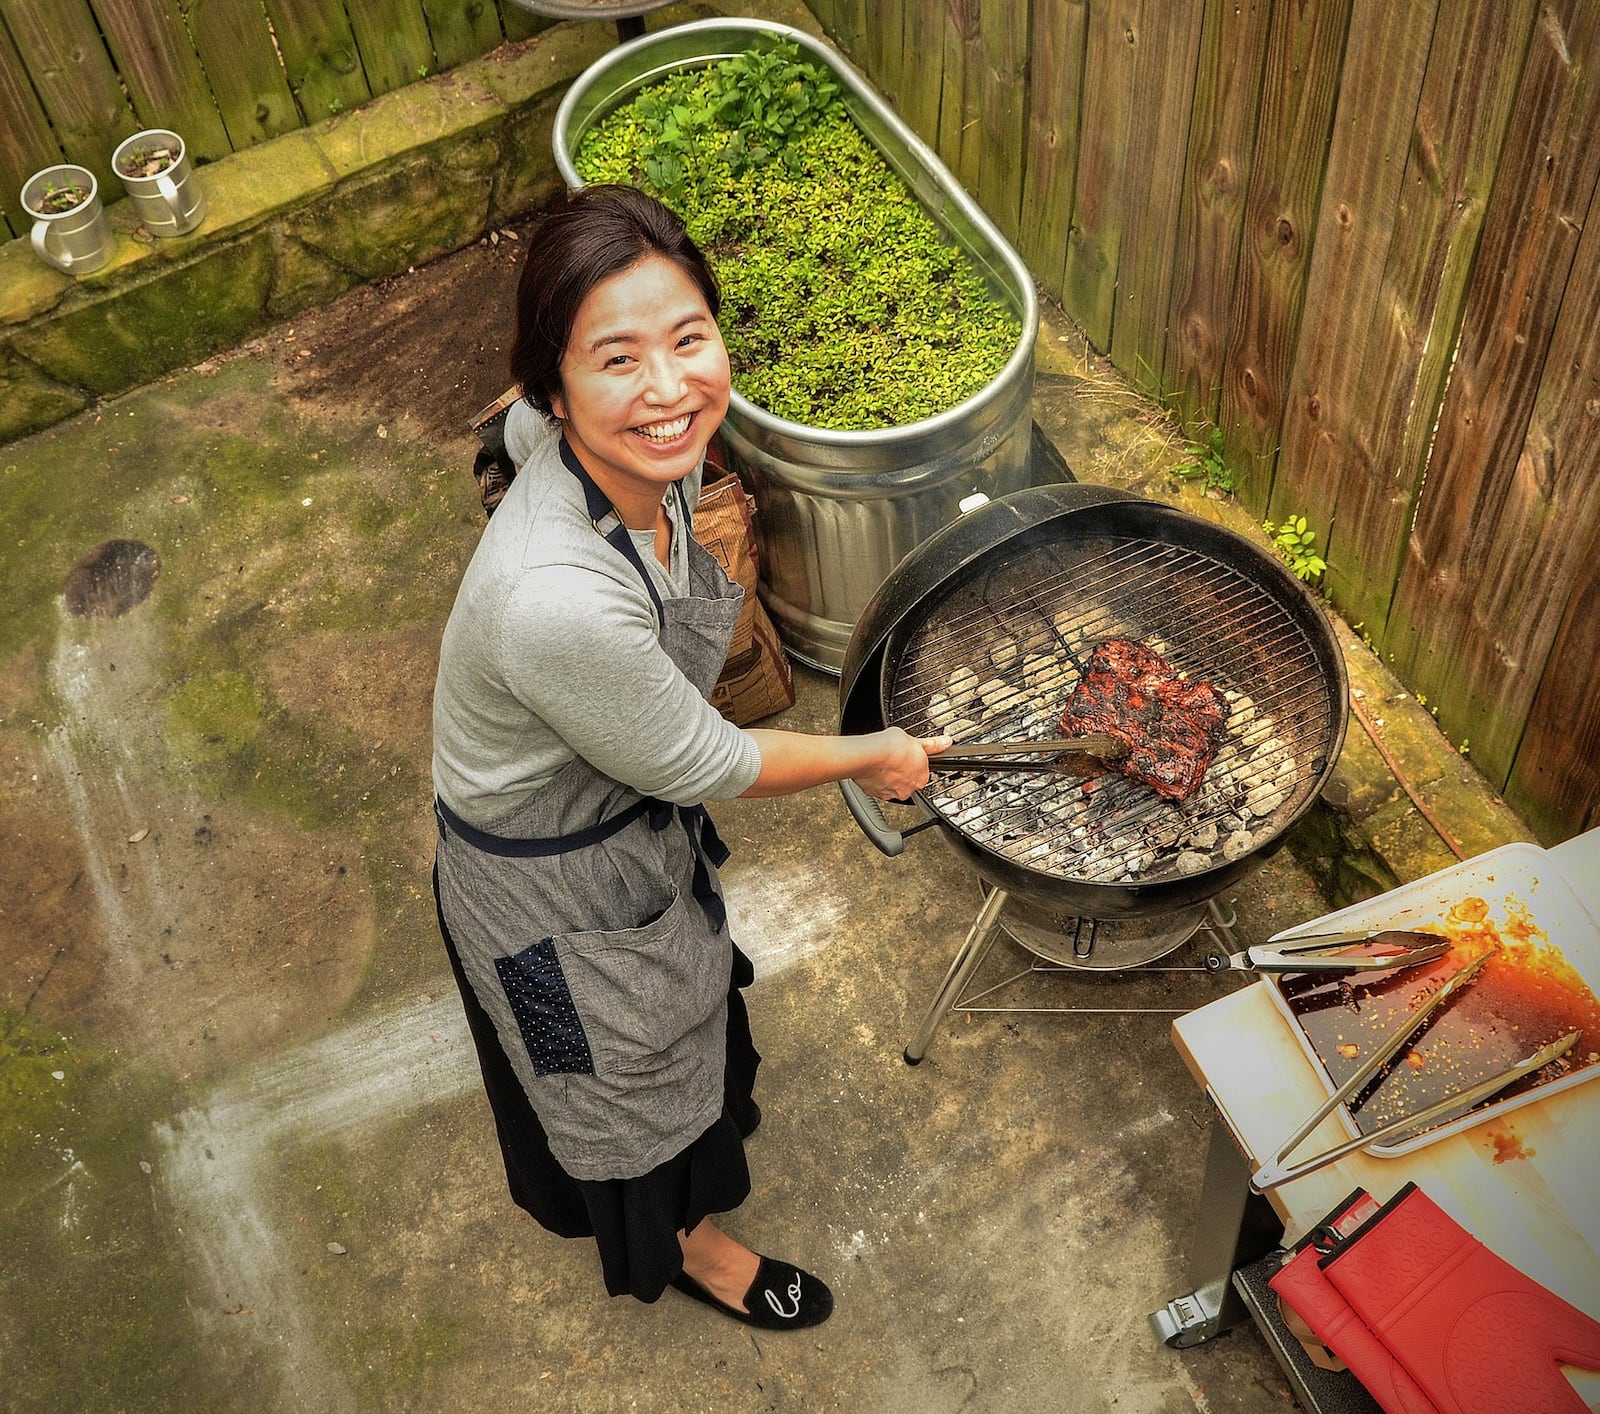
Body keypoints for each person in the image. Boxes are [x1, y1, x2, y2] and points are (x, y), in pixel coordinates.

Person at [431, 184, 947, 1331]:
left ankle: (696, 1159)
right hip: (538, 897)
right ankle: (688, 1248)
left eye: (688, 338)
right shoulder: (552, 598)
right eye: (616, 358)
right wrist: (871, 753)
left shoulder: (578, 449)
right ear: (553, 382)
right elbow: (708, 757)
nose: (668, 390)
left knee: (683, 1016)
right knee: (604, 1088)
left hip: (624, 836)